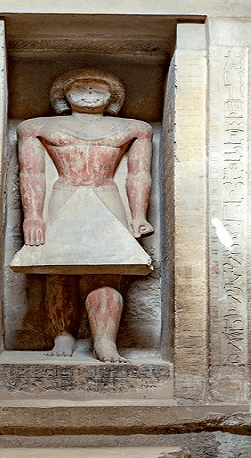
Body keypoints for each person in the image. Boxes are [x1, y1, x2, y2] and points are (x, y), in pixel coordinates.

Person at [11, 68, 153, 363]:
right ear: (65, 95)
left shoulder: (136, 128)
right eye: (81, 88)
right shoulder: (36, 127)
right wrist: (33, 216)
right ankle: (63, 338)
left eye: (97, 89)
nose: (89, 93)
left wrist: (138, 215)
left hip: (106, 195)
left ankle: (105, 342)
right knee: (58, 271)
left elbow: (139, 174)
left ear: (112, 96)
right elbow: (32, 173)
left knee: (108, 272)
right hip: (64, 194)